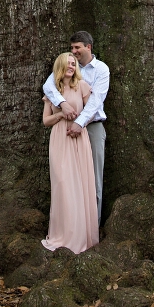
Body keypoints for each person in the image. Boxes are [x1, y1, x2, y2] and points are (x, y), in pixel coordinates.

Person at [42, 30, 109, 226]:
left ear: (88, 47)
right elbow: (48, 86)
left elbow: (96, 100)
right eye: (72, 48)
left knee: (92, 180)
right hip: (66, 130)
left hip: (92, 127)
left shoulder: (101, 70)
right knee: (67, 180)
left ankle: (91, 228)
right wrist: (62, 104)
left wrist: (80, 123)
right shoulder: (68, 67)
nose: (73, 51)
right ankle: (71, 227)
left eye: (77, 47)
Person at [41, 52, 99, 254]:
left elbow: (92, 110)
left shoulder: (82, 86)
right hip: (59, 139)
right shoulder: (52, 91)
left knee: (80, 184)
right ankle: (63, 235)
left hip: (78, 138)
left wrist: (78, 122)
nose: (71, 67)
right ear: (60, 66)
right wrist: (60, 115)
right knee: (63, 184)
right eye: (67, 64)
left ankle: (81, 236)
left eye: (74, 64)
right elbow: (45, 121)